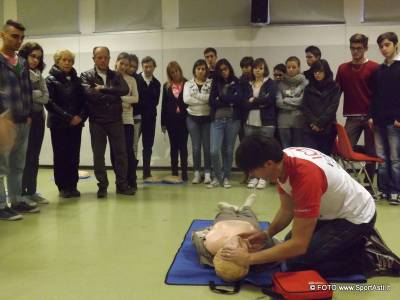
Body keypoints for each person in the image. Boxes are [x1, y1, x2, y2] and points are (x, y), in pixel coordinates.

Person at [220, 135, 400, 278]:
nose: (252, 175)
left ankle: (371, 258)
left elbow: (299, 245)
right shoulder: (282, 161)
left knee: (297, 261)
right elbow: (287, 209)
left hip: (355, 217)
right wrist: (267, 234)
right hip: (333, 212)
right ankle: (352, 243)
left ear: (268, 164)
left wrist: (249, 259)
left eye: (252, 170)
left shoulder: (305, 177)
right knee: (288, 245)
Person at [81, 46, 135, 198]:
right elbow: (90, 94)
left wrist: (104, 89)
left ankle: (122, 185)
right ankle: (102, 187)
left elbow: (124, 90)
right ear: (94, 59)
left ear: (110, 59)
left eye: (106, 57)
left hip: (115, 121)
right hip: (97, 122)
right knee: (99, 155)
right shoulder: (86, 76)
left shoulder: (116, 75)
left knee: (121, 154)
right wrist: (113, 94)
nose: (103, 60)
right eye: (99, 57)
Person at [0, 20, 39, 220]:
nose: (18, 40)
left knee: (17, 164)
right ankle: (0, 205)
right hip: (3, 122)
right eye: (14, 36)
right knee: (0, 166)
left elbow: (27, 91)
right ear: (2, 35)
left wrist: (29, 113)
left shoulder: (22, 62)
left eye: (22, 37)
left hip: (23, 120)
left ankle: (16, 200)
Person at [192, 193, 278, 282]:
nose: (234, 243)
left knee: (225, 213)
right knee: (248, 214)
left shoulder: (209, 247)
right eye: (240, 246)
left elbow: (196, 236)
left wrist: (207, 232)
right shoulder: (257, 247)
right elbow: (278, 246)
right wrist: (266, 236)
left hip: (225, 221)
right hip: (248, 223)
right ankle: (246, 206)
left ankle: (229, 208)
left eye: (228, 248)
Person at [336, 34, 379, 190]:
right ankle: (344, 183)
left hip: (370, 117)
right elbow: (336, 93)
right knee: (344, 150)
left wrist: (374, 116)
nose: (355, 52)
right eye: (353, 48)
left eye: (359, 48)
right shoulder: (342, 69)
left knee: (372, 152)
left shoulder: (374, 68)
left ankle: (368, 184)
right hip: (352, 117)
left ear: (366, 48)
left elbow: (379, 94)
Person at [46, 50, 87, 198]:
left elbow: (84, 101)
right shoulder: (50, 79)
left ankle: (73, 185)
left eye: (70, 60)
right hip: (58, 124)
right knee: (60, 155)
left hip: (76, 124)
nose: (68, 63)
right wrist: (68, 117)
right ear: (58, 61)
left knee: (74, 155)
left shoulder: (77, 79)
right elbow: (49, 103)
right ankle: (63, 187)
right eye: (64, 60)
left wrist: (80, 117)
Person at [369, 32, 400, 205]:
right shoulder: (378, 71)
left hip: (395, 122)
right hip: (379, 121)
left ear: (396, 44)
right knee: (382, 157)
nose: (384, 48)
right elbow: (374, 96)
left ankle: (396, 191)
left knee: (395, 158)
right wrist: (371, 116)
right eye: (381, 46)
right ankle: (383, 189)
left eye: (387, 45)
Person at [18, 42, 49, 204]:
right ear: (25, 56)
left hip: (38, 118)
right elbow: (22, 96)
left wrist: (32, 94)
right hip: (24, 118)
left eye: (38, 57)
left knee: (34, 156)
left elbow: (45, 97)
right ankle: (21, 194)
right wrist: (35, 94)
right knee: (23, 157)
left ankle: (31, 191)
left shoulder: (39, 74)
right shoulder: (19, 74)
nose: (35, 60)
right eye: (32, 56)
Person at [208, 58, 246, 188]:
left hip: (233, 121)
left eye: (226, 69)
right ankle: (217, 177)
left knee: (228, 151)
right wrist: (228, 100)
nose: (224, 72)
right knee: (214, 150)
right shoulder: (215, 83)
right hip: (217, 121)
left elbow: (239, 99)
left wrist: (222, 98)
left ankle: (226, 177)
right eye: (221, 70)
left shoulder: (237, 81)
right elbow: (212, 102)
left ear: (229, 68)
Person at [243, 58, 277, 189]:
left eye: (261, 68)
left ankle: (264, 178)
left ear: (265, 69)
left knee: (266, 151)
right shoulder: (247, 83)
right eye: (256, 68)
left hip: (266, 123)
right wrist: (259, 101)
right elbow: (243, 101)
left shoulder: (270, 84)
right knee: (252, 152)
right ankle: (253, 177)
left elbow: (269, 100)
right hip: (250, 123)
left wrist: (254, 100)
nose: (258, 70)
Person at [302, 59, 341, 155]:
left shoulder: (334, 87)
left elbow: (333, 107)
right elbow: (305, 107)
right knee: (311, 158)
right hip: (310, 128)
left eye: (320, 71)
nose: (317, 74)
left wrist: (319, 124)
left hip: (328, 128)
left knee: (324, 157)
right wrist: (314, 123)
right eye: (315, 72)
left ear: (326, 72)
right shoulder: (308, 87)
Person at [183, 59, 212, 184]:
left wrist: (196, 96)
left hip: (207, 118)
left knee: (207, 147)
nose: (201, 71)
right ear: (194, 70)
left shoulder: (211, 83)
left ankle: (207, 174)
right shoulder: (188, 84)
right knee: (195, 148)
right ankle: (196, 173)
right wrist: (203, 100)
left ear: (206, 71)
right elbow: (186, 100)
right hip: (192, 118)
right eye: (198, 68)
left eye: (203, 69)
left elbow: (210, 99)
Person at [113, 52, 138, 190]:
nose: (123, 66)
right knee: (115, 153)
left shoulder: (131, 80)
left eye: (126, 65)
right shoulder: (110, 77)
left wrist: (120, 99)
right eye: (121, 63)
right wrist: (123, 101)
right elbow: (107, 96)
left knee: (128, 151)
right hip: (113, 120)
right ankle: (120, 182)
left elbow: (136, 99)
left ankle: (131, 180)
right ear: (116, 62)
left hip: (128, 120)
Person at [161, 61, 188, 181]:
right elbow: (164, 105)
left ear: (180, 70)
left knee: (183, 146)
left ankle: (185, 172)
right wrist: (163, 123)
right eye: (172, 72)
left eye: (176, 71)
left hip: (184, 120)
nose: (175, 74)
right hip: (171, 120)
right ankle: (174, 172)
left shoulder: (187, 83)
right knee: (173, 146)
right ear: (169, 74)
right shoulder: (166, 86)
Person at [136, 56, 161, 181]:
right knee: (132, 145)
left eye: (150, 66)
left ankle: (146, 172)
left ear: (154, 67)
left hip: (150, 119)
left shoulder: (157, 83)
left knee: (148, 146)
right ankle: (131, 172)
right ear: (142, 66)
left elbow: (155, 102)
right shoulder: (135, 79)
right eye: (145, 66)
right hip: (136, 118)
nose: (148, 69)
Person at [276, 56, 308, 148]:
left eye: (294, 67)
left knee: (298, 148)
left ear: (299, 68)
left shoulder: (305, 83)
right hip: (283, 121)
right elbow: (278, 103)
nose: (291, 69)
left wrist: (286, 100)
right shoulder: (280, 83)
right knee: (286, 149)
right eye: (288, 67)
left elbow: (302, 101)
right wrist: (294, 104)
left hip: (299, 120)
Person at [127, 54, 142, 158]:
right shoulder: (119, 77)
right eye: (130, 66)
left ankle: (132, 171)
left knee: (134, 144)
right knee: (122, 145)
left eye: (135, 67)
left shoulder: (139, 79)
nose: (132, 69)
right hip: (122, 116)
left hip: (136, 116)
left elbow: (138, 99)